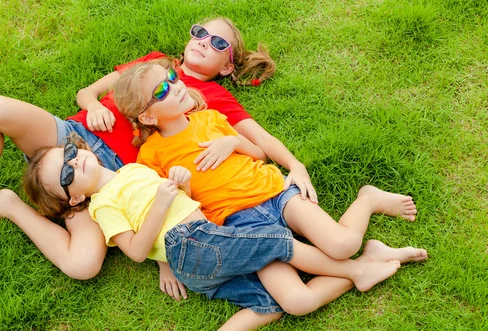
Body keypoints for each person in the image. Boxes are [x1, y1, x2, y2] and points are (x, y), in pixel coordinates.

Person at [0, 18, 318, 297]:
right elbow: (87, 92)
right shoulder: (155, 64)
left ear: (228, 65)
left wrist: (295, 165)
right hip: (76, 142)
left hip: (118, 182)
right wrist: (92, 103)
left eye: (218, 43)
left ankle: (10, 205)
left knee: (83, 266)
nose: (204, 42)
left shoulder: (213, 100)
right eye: (201, 32)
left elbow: (257, 138)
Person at [0, 138, 426, 331]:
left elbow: (170, 214)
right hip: (192, 243)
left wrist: (177, 185)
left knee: (285, 302)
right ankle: (356, 269)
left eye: (70, 153)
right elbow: (133, 247)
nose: (77, 162)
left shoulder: (131, 169)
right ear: (73, 198)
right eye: (68, 174)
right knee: (276, 242)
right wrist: (163, 206)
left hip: (202, 247)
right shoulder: (101, 206)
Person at [113, 62, 419, 263]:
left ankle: (367, 198)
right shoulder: (150, 156)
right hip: (235, 221)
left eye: (172, 78)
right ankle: (371, 258)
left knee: (342, 246)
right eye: (163, 90)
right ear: (147, 116)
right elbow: (173, 210)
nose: (177, 86)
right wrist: (166, 263)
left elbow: (259, 154)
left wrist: (232, 142)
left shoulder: (209, 119)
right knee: (294, 280)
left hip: (273, 190)